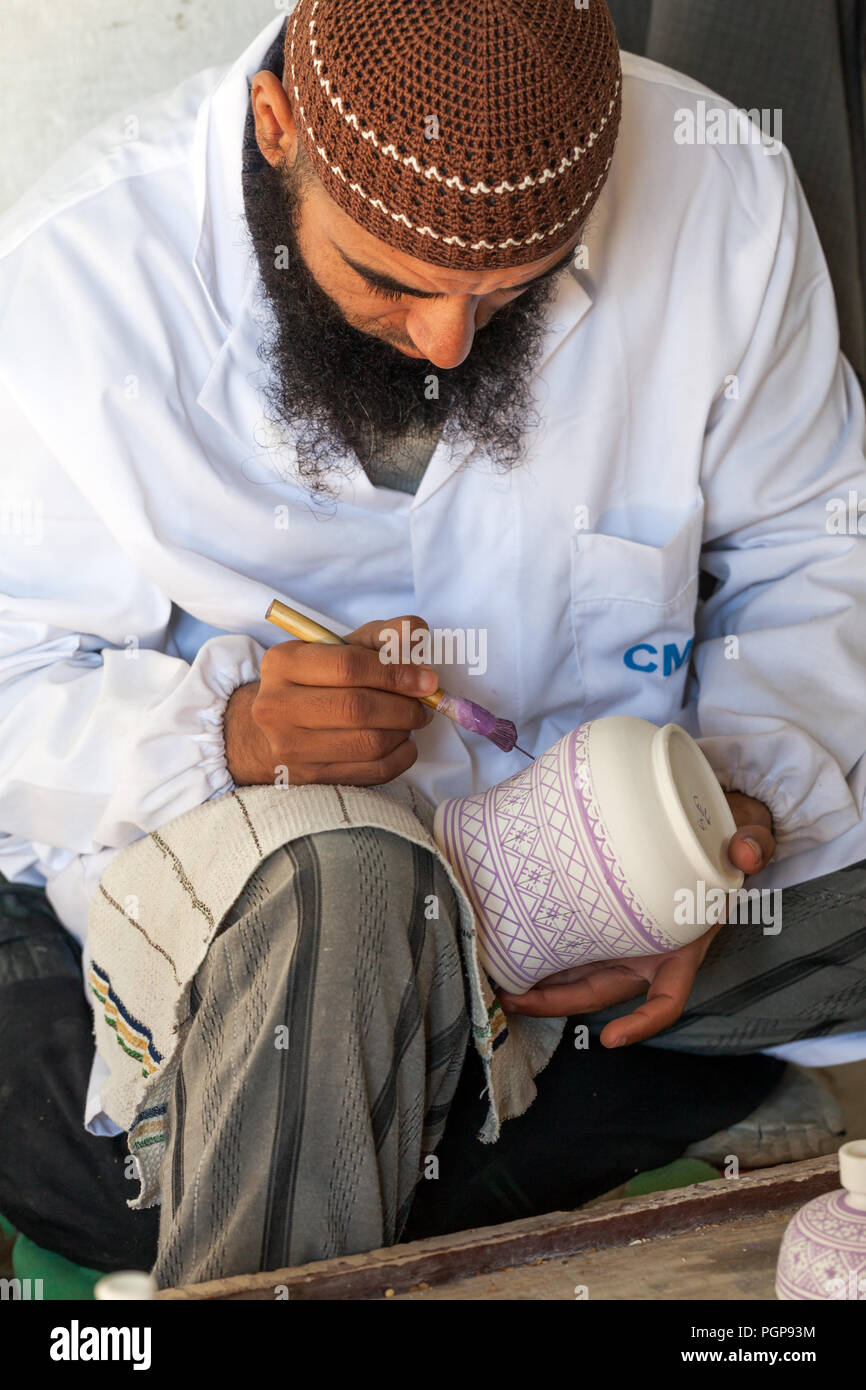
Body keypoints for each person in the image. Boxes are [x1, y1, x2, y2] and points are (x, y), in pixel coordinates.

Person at [0, 0, 864, 1288]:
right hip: (287, 955)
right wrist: (226, 738)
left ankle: (367, 1156)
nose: (452, 342)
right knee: (324, 917)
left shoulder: (718, 188)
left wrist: (718, 827)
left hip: (607, 949)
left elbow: (815, 552)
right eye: (393, 280)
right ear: (277, 125)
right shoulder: (77, 287)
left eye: (515, 286)